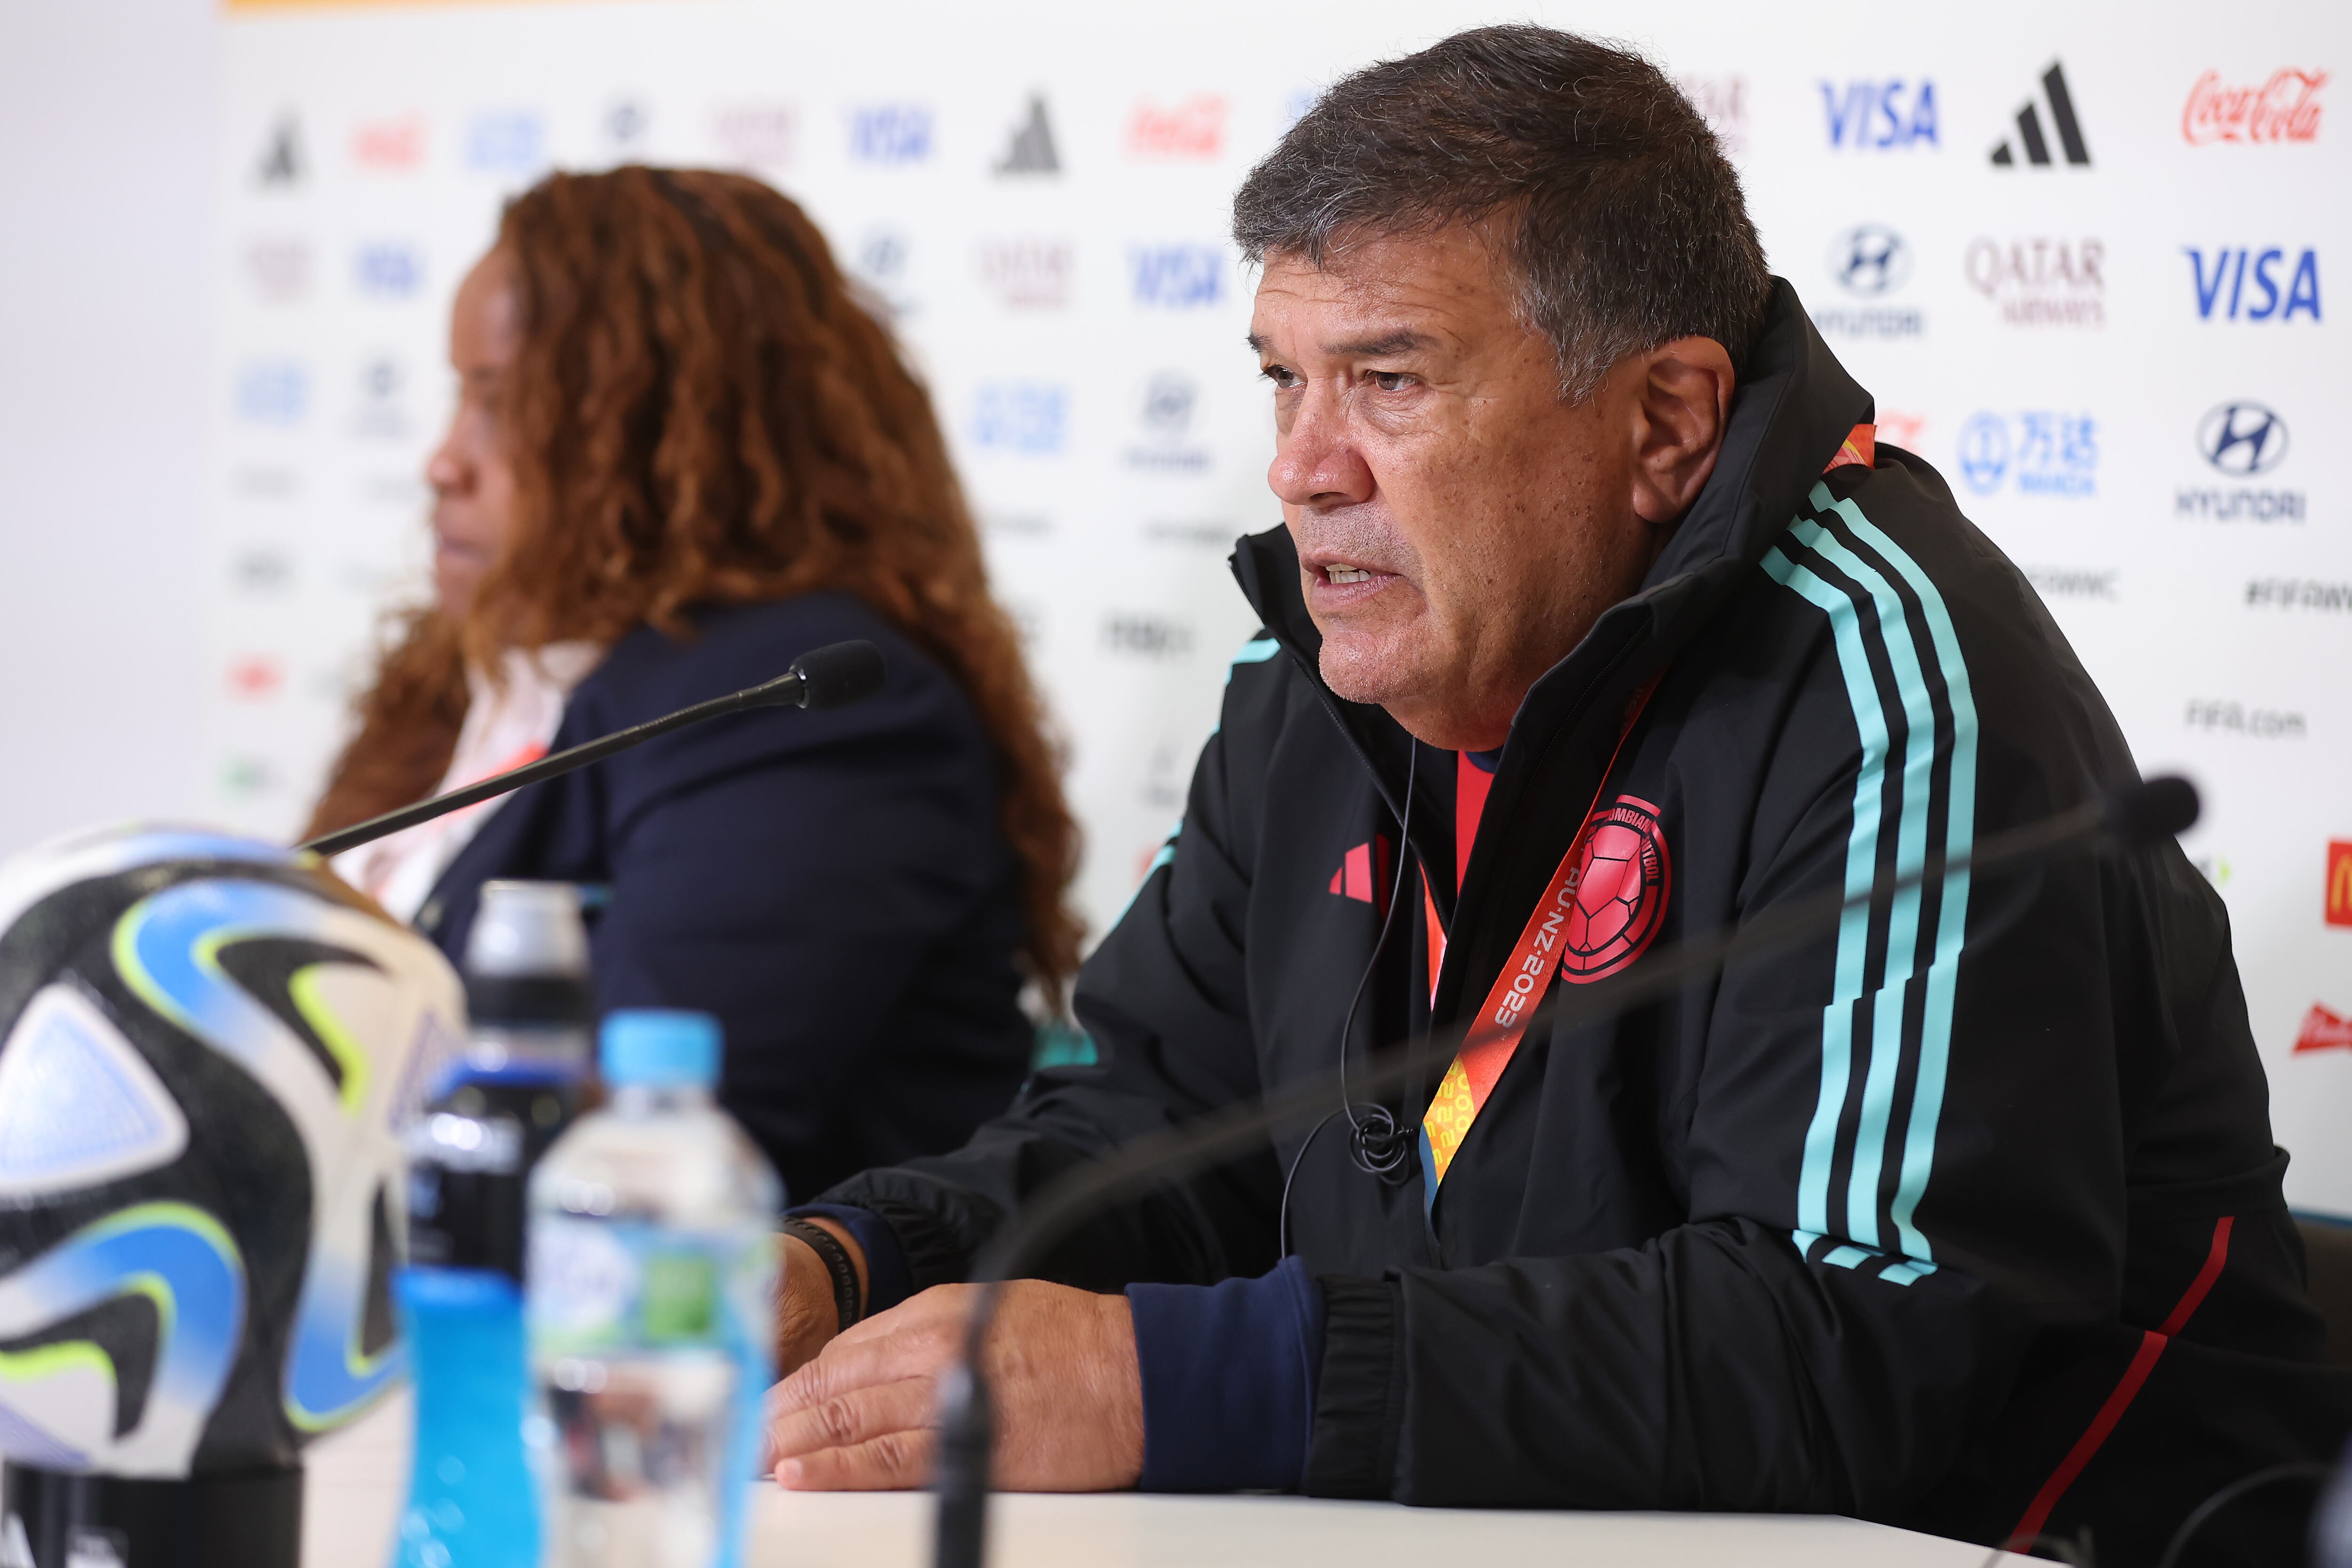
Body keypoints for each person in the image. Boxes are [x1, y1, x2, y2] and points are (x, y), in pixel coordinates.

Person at [761, 28, 2348, 1563]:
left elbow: (1848, 1339)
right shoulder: (1318, 671)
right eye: (1284, 380)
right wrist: (848, 1261)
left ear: (1666, 424)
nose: (1303, 466)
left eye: (1388, 379)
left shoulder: (1891, 676)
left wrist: (1183, 1380)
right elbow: (1155, 1122)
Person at [303, 167, 1081, 1202]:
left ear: (655, 427)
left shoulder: (794, 712)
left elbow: (640, 1162)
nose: (444, 461)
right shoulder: (467, 673)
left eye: (500, 402)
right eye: (459, 395)